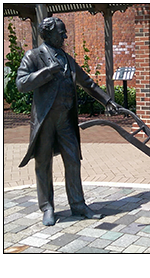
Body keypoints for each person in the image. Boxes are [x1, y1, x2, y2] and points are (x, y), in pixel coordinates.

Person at [16, 17, 121, 226]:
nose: (65, 36)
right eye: (61, 32)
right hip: (45, 121)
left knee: (73, 161)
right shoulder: (33, 56)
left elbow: (88, 83)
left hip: (65, 121)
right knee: (43, 163)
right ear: (48, 33)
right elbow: (21, 83)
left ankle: (78, 204)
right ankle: (47, 207)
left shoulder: (67, 58)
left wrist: (107, 101)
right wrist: (47, 72)